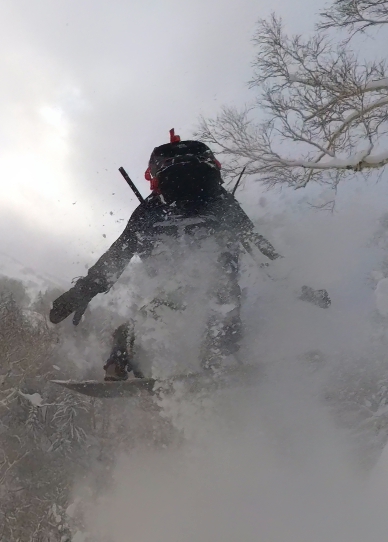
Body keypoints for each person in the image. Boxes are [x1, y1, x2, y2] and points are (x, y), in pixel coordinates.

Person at [49, 132, 276, 380]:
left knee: (155, 315)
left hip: (174, 289)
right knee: (225, 312)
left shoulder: (151, 207)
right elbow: (259, 248)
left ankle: (121, 355)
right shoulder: (221, 201)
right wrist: (297, 283)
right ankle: (219, 354)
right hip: (221, 288)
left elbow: (118, 255)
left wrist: (83, 290)